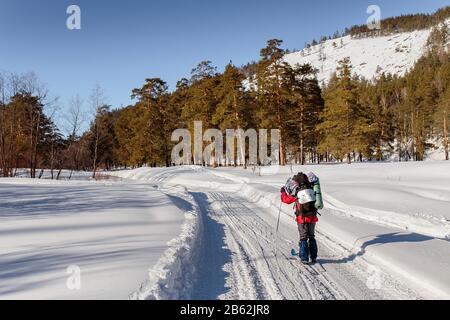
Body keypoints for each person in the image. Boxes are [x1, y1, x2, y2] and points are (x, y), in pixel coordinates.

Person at [280, 172, 322, 264]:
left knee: (303, 238)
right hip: (312, 217)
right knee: (311, 236)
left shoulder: (296, 190)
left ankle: (304, 258)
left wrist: (283, 191)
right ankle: (313, 257)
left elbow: (285, 200)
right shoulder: (311, 187)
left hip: (301, 218)